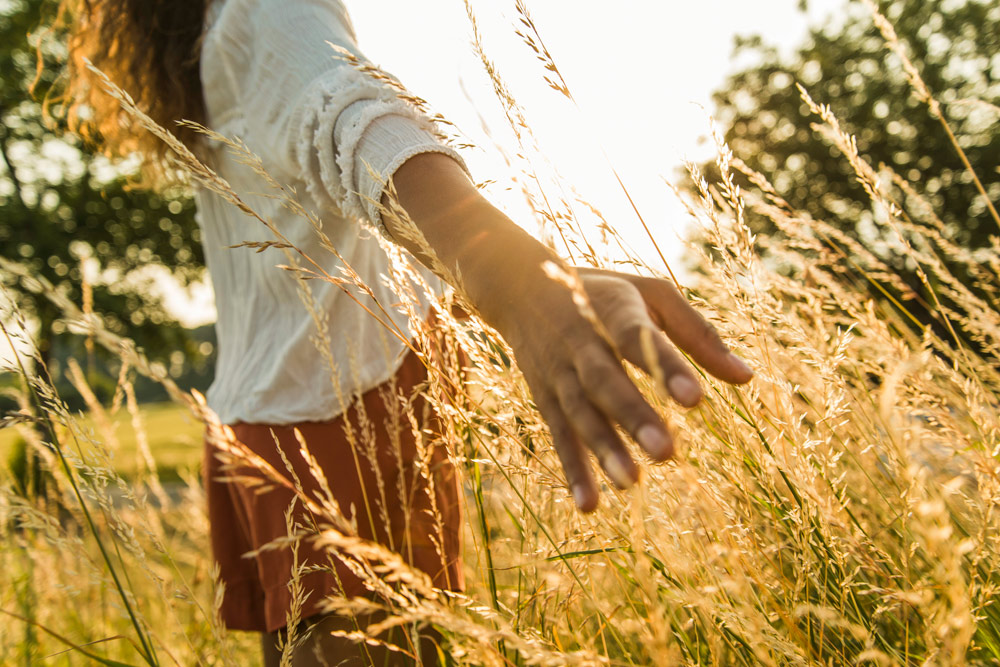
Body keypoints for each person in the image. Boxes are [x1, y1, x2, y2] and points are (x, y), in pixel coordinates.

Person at [56, 0, 753, 663]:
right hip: (343, 413)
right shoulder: (265, 10)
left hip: (261, 415)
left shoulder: (211, 32)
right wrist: (510, 280)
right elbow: (350, 116)